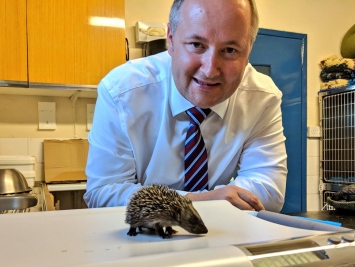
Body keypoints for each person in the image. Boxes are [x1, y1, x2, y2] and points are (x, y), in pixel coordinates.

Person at [83, 0, 287, 212]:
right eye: (197, 45)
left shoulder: (262, 98)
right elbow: (103, 193)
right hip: (141, 235)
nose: (209, 70)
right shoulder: (122, 92)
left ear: (248, 51)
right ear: (170, 39)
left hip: (223, 233)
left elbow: (269, 191)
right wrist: (199, 201)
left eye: (229, 50)